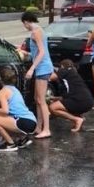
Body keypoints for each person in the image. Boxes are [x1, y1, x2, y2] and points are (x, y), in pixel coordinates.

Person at [0, 66, 37, 152]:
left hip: (24, 122)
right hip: (32, 120)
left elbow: (5, 111)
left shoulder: (2, 92)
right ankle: (22, 139)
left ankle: (10, 144)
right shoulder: (15, 89)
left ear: (0, 79)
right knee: (1, 117)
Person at [20, 11, 54, 139]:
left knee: (41, 100)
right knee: (37, 99)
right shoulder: (38, 30)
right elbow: (36, 52)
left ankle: (46, 129)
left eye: (24, 23)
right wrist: (24, 51)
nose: (25, 26)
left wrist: (31, 69)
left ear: (27, 21)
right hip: (42, 67)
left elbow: (41, 52)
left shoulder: (36, 32)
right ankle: (39, 127)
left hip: (42, 68)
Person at [48, 59, 94, 132]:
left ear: (62, 66)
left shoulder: (65, 70)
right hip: (88, 102)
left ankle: (77, 119)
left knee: (53, 107)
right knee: (65, 104)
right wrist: (54, 98)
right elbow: (68, 95)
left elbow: (50, 77)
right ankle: (79, 117)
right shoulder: (73, 75)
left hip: (79, 101)